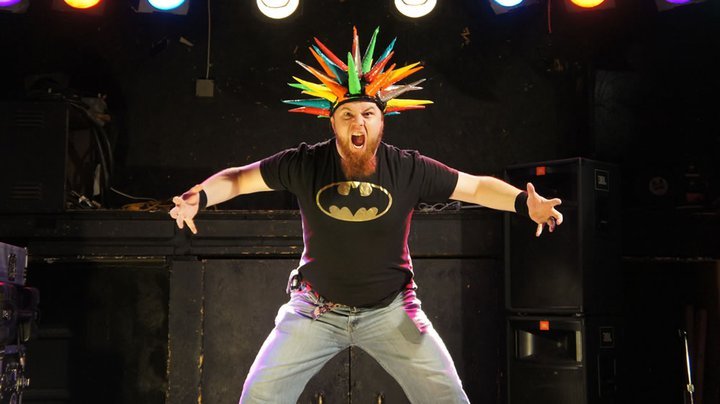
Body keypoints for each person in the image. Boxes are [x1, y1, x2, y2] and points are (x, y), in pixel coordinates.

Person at [170, 27, 563, 404]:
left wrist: (522, 203)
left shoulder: (408, 168)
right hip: (315, 311)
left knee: (446, 397)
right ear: (332, 122)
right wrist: (199, 197)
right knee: (259, 395)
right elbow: (238, 179)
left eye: (368, 115)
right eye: (347, 115)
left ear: (381, 121)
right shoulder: (305, 164)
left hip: (391, 312)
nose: (358, 123)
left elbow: (474, 187)